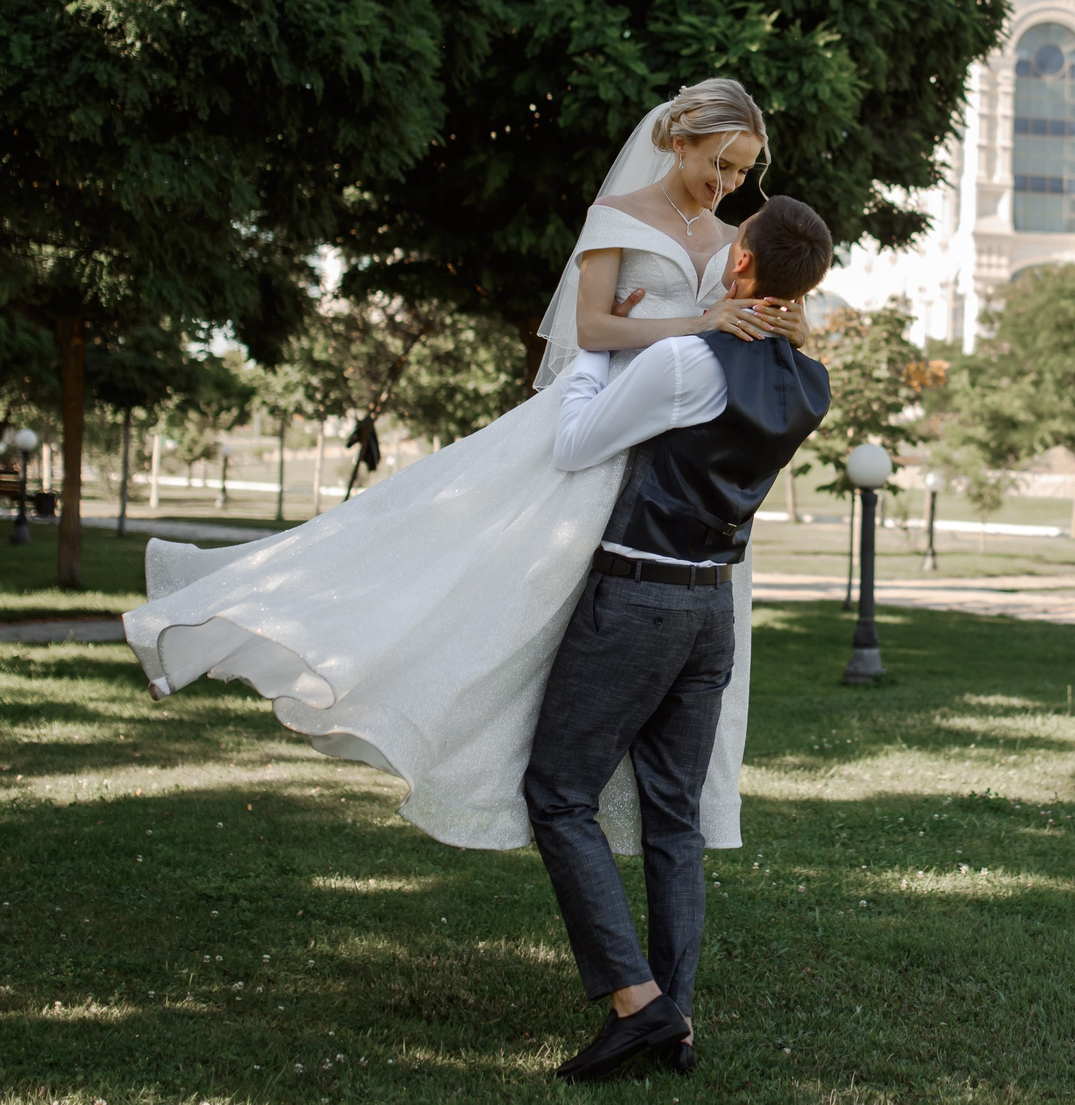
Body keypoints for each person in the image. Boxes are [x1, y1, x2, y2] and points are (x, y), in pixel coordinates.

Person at [120, 80, 804, 856]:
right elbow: (590, 327)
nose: (731, 184)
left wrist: (787, 323)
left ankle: (648, 813)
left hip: (681, 466)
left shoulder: (731, 240)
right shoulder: (616, 218)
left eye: (744, 171)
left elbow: (751, 341)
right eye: (721, 163)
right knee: (482, 582)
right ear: (678, 141)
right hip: (600, 426)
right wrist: (698, 318)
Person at [526, 196, 834, 1081]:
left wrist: (598, 345)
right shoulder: (812, 382)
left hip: (637, 598)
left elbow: (577, 442)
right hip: (712, 614)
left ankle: (639, 1003)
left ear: (739, 264)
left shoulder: (684, 360)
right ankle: (678, 1023)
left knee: (557, 793)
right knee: (674, 820)